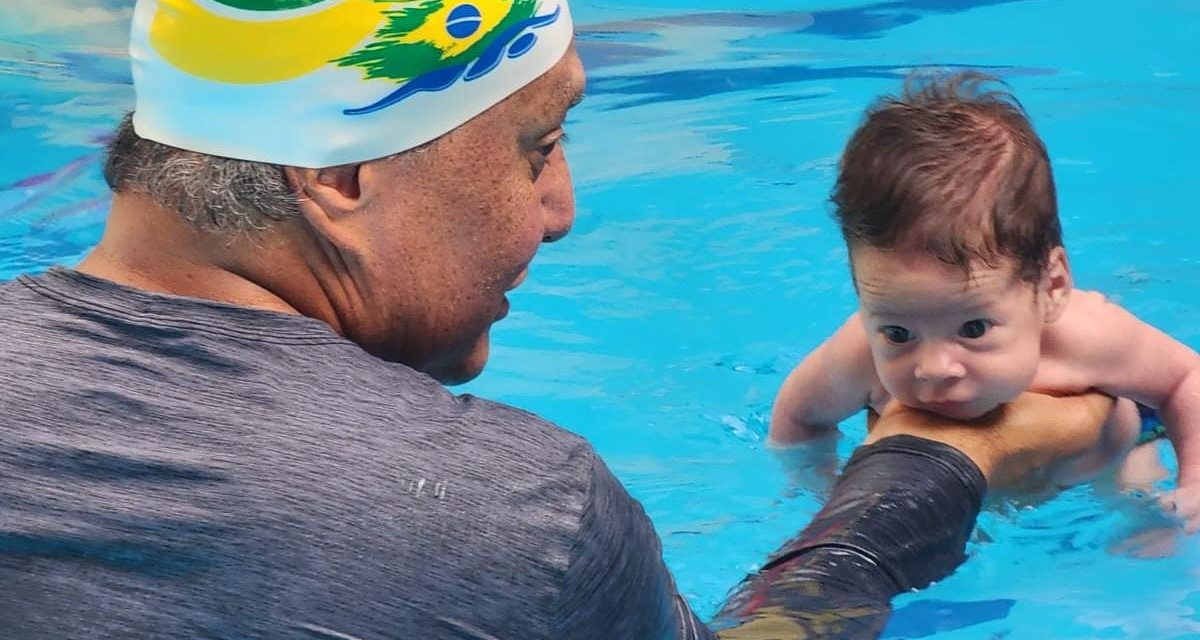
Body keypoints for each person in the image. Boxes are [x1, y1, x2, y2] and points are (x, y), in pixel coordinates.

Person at [0, 1, 1115, 637]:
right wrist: (930, 468)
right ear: (338, 176)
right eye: (537, 146)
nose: (563, 211)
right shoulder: (517, 521)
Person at [769, 72, 1200, 530]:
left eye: (973, 329)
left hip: (1097, 468)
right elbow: (798, 418)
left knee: (1147, 530)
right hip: (968, 493)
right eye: (898, 333)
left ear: (1050, 289)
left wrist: (1193, 481)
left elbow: (1184, 379)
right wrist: (821, 491)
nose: (934, 368)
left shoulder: (1087, 337)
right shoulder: (858, 354)